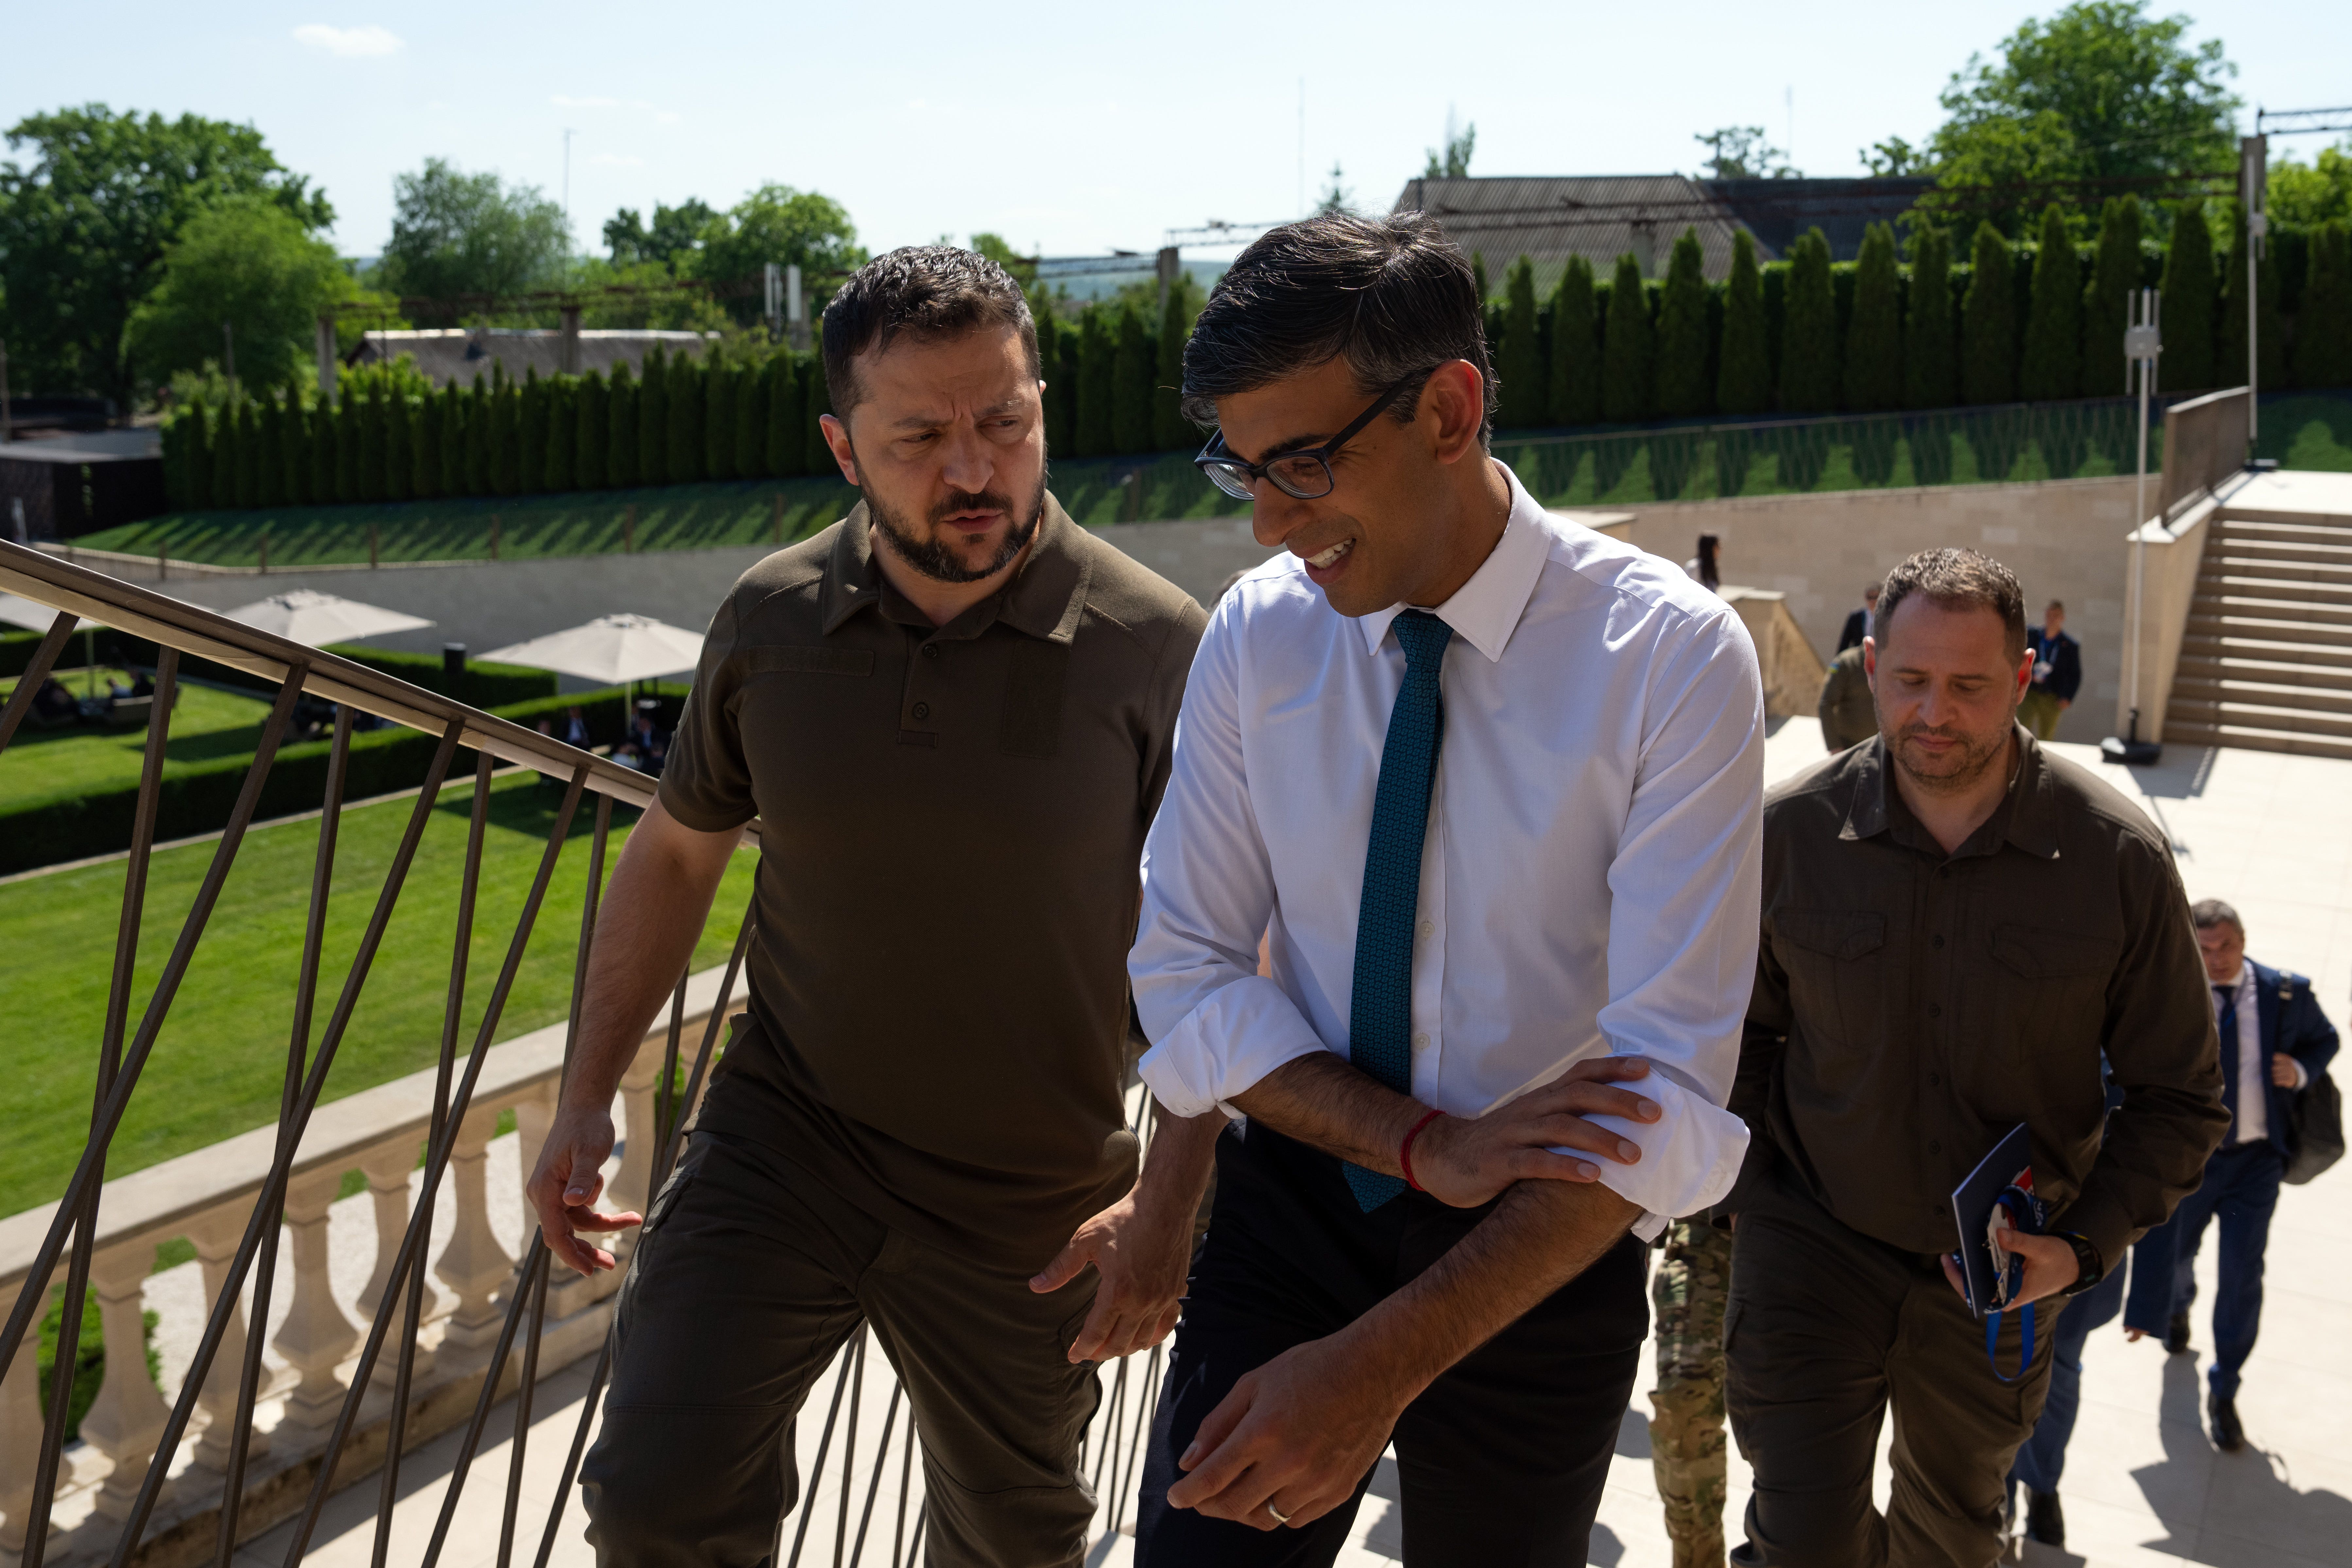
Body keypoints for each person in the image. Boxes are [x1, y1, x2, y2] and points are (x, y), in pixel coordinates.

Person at [538, 245, 1213, 1568]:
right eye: (920, 436)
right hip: (786, 1141)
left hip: (1034, 1191)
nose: (974, 469)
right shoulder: (769, 620)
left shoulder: (1155, 644)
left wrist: (1173, 1196)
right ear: (844, 449)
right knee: (655, 1495)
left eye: (1004, 421)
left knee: (1014, 1543)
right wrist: (584, 1095)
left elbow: (1240, 937)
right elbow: (677, 855)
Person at [1127, 211, 1765, 1566]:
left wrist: (1379, 1357)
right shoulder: (1256, 634)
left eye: (1301, 463)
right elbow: (1181, 976)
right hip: (1292, 1208)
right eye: (1239, 470)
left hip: (1542, 1241)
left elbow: (1665, 1094)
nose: (1269, 519)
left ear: (1450, 410)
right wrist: (1424, 1145)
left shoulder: (1671, 657)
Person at [1724, 546, 2226, 1568]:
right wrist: (1751, 1192)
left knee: (1953, 1542)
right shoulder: (1785, 835)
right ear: (1870, 666)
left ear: (2025, 676)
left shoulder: (2118, 859)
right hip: (1810, 1249)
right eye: (1909, 680)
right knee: (1798, 1539)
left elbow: (2179, 1097)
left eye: (1969, 685)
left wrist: (2080, 1245)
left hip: (1997, 1280)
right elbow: (1734, 1037)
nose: (1933, 712)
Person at [2124, 899, 2338, 1453]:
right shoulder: (2170, 1000)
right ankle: (2177, 1307)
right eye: (2203, 949)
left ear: (2242, 941)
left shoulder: (2283, 993)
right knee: (2172, 1258)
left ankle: (2224, 1389)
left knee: (2242, 1276)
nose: (2215, 959)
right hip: (2190, 1165)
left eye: (2225, 946)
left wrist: (2302, 1068)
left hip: (2254, 1164)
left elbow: (2326, 1039)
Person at [2019, 598, 2080, 741]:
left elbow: (2075, 674)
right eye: (2049, 615)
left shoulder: (2069, 645)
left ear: (2062, 618)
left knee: (2047, 735)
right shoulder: (2033, 636)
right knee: (2020, 729)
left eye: (2056, 616)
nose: (2052, 619)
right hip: (2030, 691)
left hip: (2052, 696)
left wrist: (2067, 697)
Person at [1816, 643, 1875, 753]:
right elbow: (1826, 704)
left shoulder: (1895, 662)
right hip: (1851, 747)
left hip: (1882, 748)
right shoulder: (1847, 663)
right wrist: (1834, 746)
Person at [1838, 581, 1881, 654]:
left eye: (1876, 597)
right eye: (1870, 598)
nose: (1873, 601)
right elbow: (1845, 643)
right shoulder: (1856, 617)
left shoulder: (1889, 617)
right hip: (1861, 659)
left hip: (1881, 658)